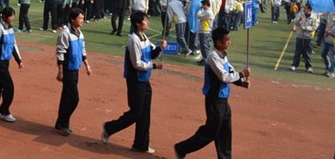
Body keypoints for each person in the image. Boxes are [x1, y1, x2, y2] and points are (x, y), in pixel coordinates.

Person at [173, 27, 251, 159]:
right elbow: (224, 77)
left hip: (223, 100)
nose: (230, 42)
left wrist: (242, 82)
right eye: (227, 40)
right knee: (211, 132)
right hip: (214, 101)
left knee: (225, 132)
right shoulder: (212, 57)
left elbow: (230, 71)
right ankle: (182, 148)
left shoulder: (223, 55)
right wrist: (242, 74)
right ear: (219, 42)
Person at [102, 11, 166, 154]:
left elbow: (152, 53)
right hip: (135, 81)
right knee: (136, 112)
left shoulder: (144, 37)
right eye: (145, 20)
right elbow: (137, 64)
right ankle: (109, 127)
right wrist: (154, 66)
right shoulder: (133, 40)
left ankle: (141, 144)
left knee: (145, 114)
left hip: (145, 80)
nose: (148, 22)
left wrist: (160, 47)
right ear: (138, 23)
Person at [54, 8, 92, 136]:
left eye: (82, 18)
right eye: (80, 18)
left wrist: (87, 66)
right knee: (74, 98)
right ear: (72, 19)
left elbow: (83, 51)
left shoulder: (80, 33)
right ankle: (63, 123)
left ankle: (60, 123)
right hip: (68, 69)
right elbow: (60, 53)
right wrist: (60, 71)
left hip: (76, 69)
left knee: (66, 97)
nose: (82, 20)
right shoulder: (65, 34)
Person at [0, 7, 23, 123]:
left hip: (6, 62)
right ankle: (4, 111)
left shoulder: (10, 29)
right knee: (9, 86)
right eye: (11, 16)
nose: (13, 18)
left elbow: (13, 45)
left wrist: (19, 60)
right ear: (5, 17)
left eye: (13, 16)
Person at [291, 3, 318, 73]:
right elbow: (295, 22)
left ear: (309, 10)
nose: (303, 9)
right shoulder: (301, 14)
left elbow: (314, 27)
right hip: (300, 36)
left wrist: (305, 28)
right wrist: (299, 20)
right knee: (298, 51)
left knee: (307, 52)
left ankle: (308, 67)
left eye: (305, 8)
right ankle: (294, 65)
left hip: (308, 37)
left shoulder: (314, 17)